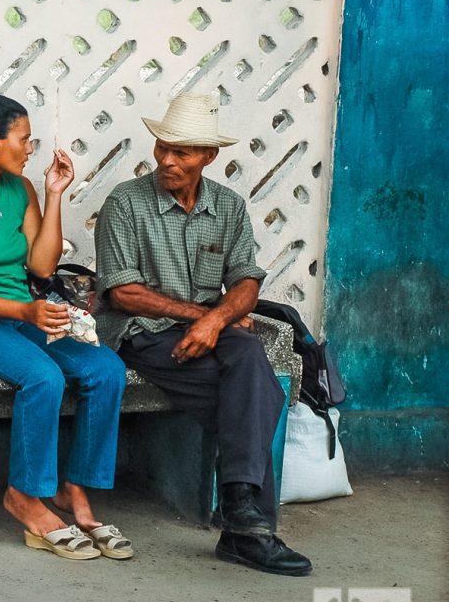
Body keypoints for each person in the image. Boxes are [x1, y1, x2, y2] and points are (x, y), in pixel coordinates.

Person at [93, 91, 312, 576]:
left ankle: (242, 523)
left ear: (209, 156)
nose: (168, 160)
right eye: (162, 148)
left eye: (183, 152)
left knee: (249, 361)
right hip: (143, 333)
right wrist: (205, 315)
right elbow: (123, 294)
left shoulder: (229, 207)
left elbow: (247, 281)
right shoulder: (125, 204)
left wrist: (215, 320)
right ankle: (249, 529)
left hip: (207, 331)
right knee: (257, 395)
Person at [0, 94, 131, 562]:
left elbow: (40, 265)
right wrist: (23, 313)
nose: (31, 148)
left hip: (21, 315)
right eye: (24, 140)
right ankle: (24, 496)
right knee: (44, 376)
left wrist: (55, 195)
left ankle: (72, 491)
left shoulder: (22, 191)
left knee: (105, 369)